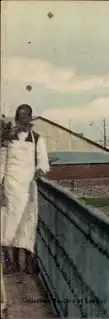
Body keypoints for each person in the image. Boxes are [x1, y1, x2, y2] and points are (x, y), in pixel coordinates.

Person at [1, 104, 50, 274]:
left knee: (28, 224)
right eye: (20, 115)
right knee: (8, 225)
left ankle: (28, 263)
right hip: (10, 187)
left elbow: (43, 161)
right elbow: (1, 163)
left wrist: (39, 170)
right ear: (16, 117)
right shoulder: (8, 138)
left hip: (28, 187)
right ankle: (11, 264)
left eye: (26, 115)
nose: (23, 118)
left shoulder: (37, 139)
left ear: (30, 117)